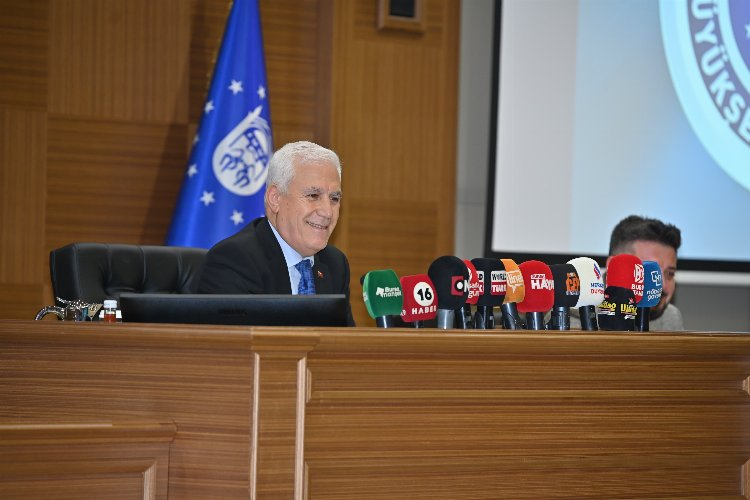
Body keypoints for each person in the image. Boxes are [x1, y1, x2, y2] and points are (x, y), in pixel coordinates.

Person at [197, 140, 354, 326]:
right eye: (313, 196)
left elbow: (343, 340)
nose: (327, 212)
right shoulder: (234, 260)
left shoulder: (334, 264)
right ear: (275, 198)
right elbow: (240, 342)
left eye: (334, 198)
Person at [570, 215, 684, 330]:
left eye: (670, 274)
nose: (662, 285)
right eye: (647, 271)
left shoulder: (671, 317)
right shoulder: (573, 318)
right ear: (613, 266)